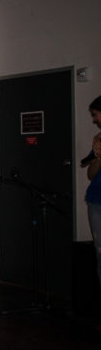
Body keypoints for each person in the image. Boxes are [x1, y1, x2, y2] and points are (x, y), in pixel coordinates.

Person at [83, 95, 101, 286]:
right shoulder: (98, 139)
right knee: (100, 251)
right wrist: (98, 158)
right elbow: (91, 174)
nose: (94, 120)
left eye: (95, 115)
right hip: (96, 201)